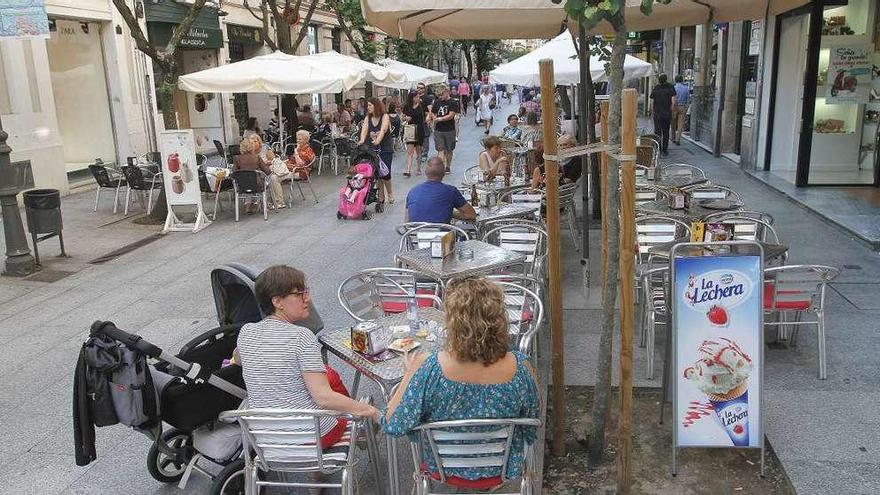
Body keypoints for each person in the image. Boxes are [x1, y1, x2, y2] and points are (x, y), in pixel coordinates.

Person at [381, 276, 540, 487]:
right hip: (501, 467)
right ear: (499, 319)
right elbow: (532, 425)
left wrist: (410, 372)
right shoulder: (521, 367)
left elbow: (393, 424)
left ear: (452, 322)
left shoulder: (429, 368)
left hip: (443, 468)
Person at [237, 265, 379, 452]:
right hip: (311, 436)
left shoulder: (246, 332)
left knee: (327, 374)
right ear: (278, 301)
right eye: (300, 294)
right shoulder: (301, 337)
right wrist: (368, 410)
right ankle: (358, 427)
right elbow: (324, 399)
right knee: (330, 384)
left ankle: (320, 469)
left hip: (265, 438)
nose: (307, 298)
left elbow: (237, 358)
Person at [405, 157, 475, 224]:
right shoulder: (451, 191)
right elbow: (471, 214)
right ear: (444, 173)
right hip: (442, 235)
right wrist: (451, 213)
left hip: (414, 234)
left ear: (426, 173)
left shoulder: (413, 191)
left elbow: (406, 222)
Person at [233, 135, 285, 211]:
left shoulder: (236, 158)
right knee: (267, 179)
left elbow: (234, 172)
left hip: (242, 186)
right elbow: (267, 171)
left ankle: (248, 206)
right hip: (257, 185)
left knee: (246, 179)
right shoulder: (257, 157)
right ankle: (267, 203)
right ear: (251, 147)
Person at [359, 97, 395, 205]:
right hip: (373, 149)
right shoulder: (367, 118)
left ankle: (390, 193)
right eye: (367, 105)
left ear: (376, 106)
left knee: (385, 172)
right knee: (377, 173)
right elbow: (364, 130)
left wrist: (378, 140)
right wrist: (361, 140)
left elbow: (383, 130)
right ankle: (381, 195)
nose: (368, 107)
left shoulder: (385, 116)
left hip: (385, 148)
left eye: (370, 105)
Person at [431, 87, 459, 174]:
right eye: (438, 95)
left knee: (449, 150)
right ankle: (441, 167)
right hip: (438, 129)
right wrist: (433, 118)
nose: (440, 96)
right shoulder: (437, 101)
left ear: (447, 92)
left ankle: (448, 166)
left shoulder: (453, 102)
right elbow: (433, 112)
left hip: (449, 129)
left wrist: (440, 119)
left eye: (441, 94)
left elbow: (451, 115)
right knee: (440, 149)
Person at [650, 73, 676, 156]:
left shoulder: (656, 88)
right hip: (667, 113)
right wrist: (672, 110)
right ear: (666, 79)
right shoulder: (670, 87)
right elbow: (673, 102)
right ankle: (665, 150)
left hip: (657, 113)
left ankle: (659, 149)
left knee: (657, 132)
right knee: (666, 132)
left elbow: (652, 101)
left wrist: (652, 111)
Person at [402, 91, 426, 177]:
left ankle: (419, 168)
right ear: (411, 98)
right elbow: (403, 117)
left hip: (419, 129)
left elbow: (426, 114)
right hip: (410, 129)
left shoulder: (421, 105)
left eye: (418, 96)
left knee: (419, 150)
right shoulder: (407, 106)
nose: (417, 98)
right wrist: (406, 118)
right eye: (416, 97)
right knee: (410, 151)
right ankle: (408, 170)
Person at [672, 75, 691, 146]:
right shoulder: (686, 88)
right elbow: (688, 100)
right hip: (682, 106)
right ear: (682, 80)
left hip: (675, 106)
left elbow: (672, 98)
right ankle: (678, 139)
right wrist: (686, 108)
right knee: (680, 124)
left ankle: (673, 137)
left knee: (673, 123)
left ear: (675, 80)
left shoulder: (673, 87)